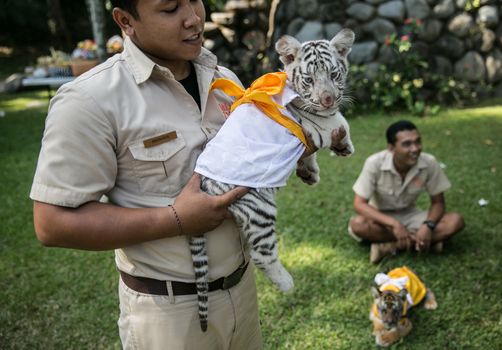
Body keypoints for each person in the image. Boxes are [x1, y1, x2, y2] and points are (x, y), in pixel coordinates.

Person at [30, 1, 346, 348]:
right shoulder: (88, 99)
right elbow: (52, 223)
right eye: (170, 9)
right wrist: (176, 219)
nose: (193, 18)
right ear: (125, 20)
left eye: (196, 0)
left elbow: (249, 171)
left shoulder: (227, 81)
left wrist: (296, 150)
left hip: (243, 290)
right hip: (169, 314)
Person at [348, 120, 464, 263]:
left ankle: (390, 246)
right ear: (391, 148)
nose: (415, 149)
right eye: (407, 144)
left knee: (455, 221)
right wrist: (394, 224)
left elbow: (438, 202)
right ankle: (427, 242)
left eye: (418, 142)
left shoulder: (429, 162)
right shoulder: (374, 163)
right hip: (381, 218)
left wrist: (428, 225)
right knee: (358, 225)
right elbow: (359, 204)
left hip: (411, 215)